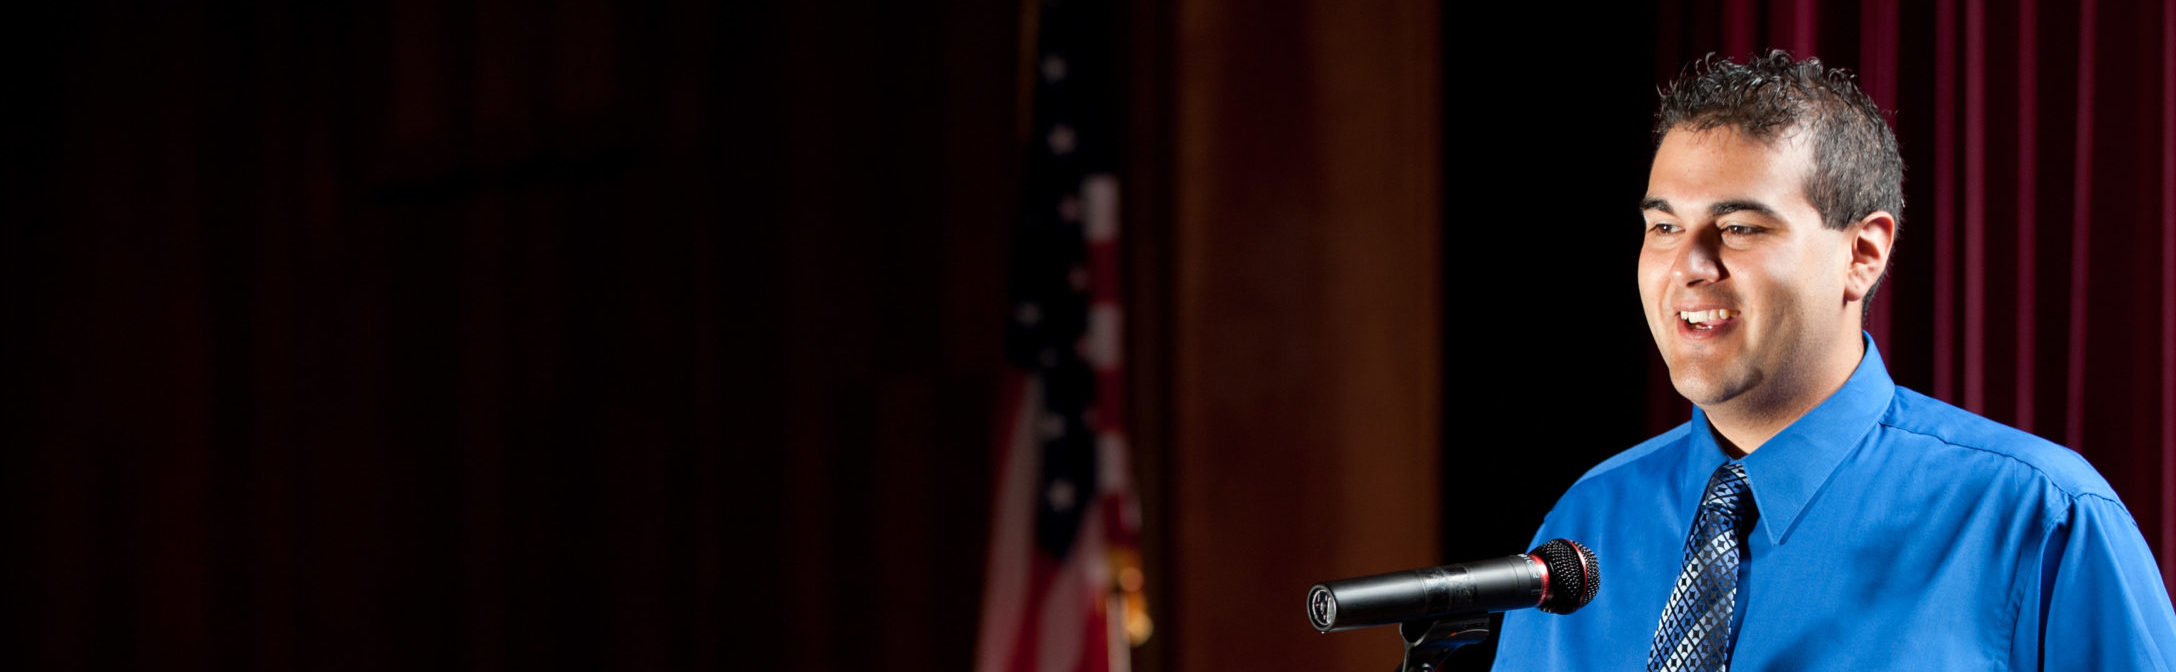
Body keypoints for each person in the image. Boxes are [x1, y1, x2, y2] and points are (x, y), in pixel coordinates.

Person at [1492, 51, 2176, 670]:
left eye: (1738, 228)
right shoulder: (1587, 527)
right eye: (1664, 228)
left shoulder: (2040, 519)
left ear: (1864, 254)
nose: (1688, 268)